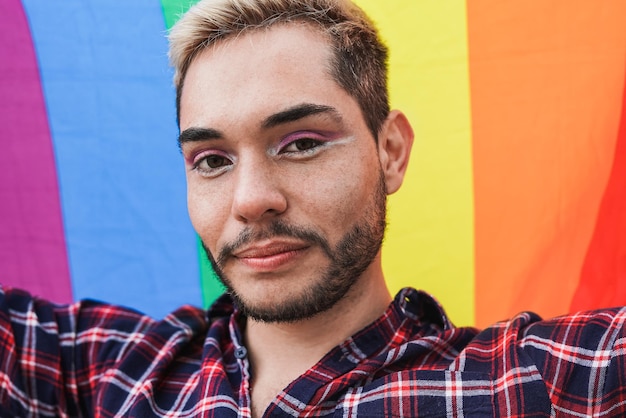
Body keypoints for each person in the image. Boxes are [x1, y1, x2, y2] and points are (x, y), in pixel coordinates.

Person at [1, 0, 625, 416]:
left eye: (300, 144)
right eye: (212, 160)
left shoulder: (526, 384)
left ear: (391, 152)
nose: (250, 200)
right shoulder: (107, 372)